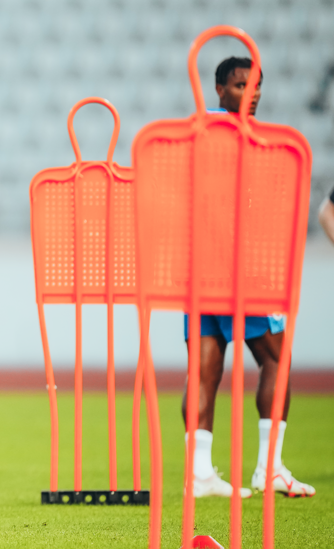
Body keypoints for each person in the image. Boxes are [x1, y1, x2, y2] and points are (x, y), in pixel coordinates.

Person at [183, 57, 314, 499]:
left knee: (202, 373)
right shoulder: (241, 139)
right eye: (241, 86)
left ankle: (199, 473)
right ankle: (269, 468)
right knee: (277, 359)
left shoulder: (196, 135)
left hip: (198, 274)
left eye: (256, 85)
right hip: (241, 271)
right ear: (220, 90)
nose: (252, 94)